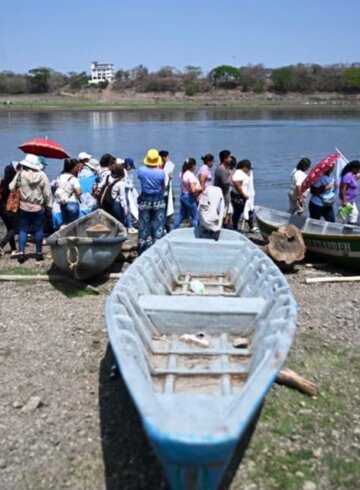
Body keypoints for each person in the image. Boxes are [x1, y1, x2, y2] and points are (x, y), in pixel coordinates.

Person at [9, 154, 52, 263]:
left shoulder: (21, 174)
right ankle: (38, 253)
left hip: (24, 206)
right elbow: (47, 194)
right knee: (38, 230)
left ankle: (22, 253)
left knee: (23, 230)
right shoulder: (42, 175)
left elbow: (11, 187)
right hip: (38, 207)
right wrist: (49, 207)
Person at [137, 149, 166, 254]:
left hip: (145, 200)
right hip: (158, 200)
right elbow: (163, 187)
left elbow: (140, 180)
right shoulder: (161, 172)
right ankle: (157, 250)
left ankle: (142, 249)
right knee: (158, 225)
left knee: (144, 225)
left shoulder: (141, 170)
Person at [174, 158, 202, 229]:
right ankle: (195, 231)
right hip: (189, 198)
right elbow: (193, 190)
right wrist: (199, 188)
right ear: (192, 166)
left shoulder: (182, 173)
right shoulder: (190, 175)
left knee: (181, 215)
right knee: (195, 216)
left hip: (183, 195)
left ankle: (174, 228)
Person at [0, 161, 20, 257]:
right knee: (14, 228)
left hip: (1, 208)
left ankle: (13, 248)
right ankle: (1, 245)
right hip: (10, 208)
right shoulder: (14, 184)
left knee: (9, 228)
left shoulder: (3, 182)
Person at [56, 158, 82, 225]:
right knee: (74, 224)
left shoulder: (59, 177)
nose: (78, 169)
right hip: (72, 203)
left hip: (63, 204)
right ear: (72, 168)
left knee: (65, 223)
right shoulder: (73, 179)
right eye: (77, 167)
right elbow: (78, 193)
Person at [231, 159, 252, 231]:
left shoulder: (240, 173)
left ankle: (235, 226)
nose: (248, 170)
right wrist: (243, 194)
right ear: (245, 167)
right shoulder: (239, 173)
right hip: (239, 197)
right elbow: (237, 185)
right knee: (246, 211)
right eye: (248, 169)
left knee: (239, 212)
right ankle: (251, 226)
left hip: (240, 196)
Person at [214, 150, 233, 227]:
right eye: (229, 157)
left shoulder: (222, 168)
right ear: (225, 159)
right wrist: (231, 175)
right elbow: (225, 183)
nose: (231, 159)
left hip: (223, 196)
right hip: (223, 196)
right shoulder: (222, 169)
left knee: (225, 213)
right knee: (222, 214)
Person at [159, 150, 175, 233]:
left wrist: (170, 178)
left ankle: (165, 226)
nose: (169, 158)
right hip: (163, 192)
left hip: (166, 191)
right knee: (163, 210)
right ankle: (165, 226)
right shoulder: (160, 167)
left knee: (164, 210)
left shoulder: (165, 166)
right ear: (164, 157)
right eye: (168, 157)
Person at [123, 157, 137, 233]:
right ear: (128, 165)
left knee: (125, 210)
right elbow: (127, 185)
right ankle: (130, 227)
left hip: (123, 193)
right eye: (131, 167)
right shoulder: (124, 172)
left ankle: (126, 225)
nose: (131, 169)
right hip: (124, 193)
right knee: (127, 209)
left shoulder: (122, 171)